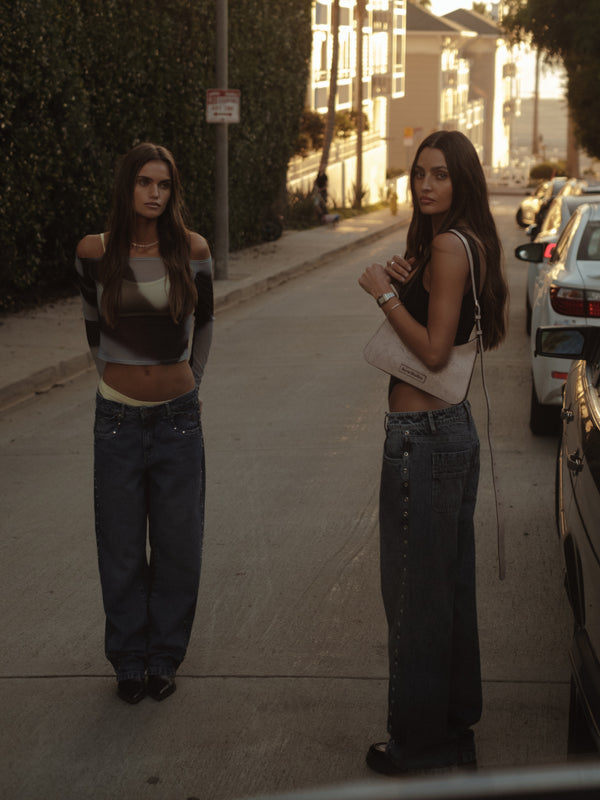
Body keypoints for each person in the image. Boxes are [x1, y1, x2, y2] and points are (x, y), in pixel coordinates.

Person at [358, 130, 508, 774]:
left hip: (421, 440)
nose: (425, 185)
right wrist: (410, 283)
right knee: (447, 590)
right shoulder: (467, 243)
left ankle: (416, 744)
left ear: (462, 180)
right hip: (449, 432)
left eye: (440, 175)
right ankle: (453, 724)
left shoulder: (449, 244)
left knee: (415, 599)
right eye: (419, 173)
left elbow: (434, 352)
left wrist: (384, 294)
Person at [75, 142, 214, 705]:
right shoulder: (95, 251)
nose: (155, 194)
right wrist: (115, 381)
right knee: (123, 547)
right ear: (126, 186)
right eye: (145, 183)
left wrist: (191, 381)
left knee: (180, 546)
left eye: (164, 185)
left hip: (179, 420)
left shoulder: (193, 250)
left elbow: (204, 326)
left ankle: (164, 657)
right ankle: (129, 661)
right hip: (117, 421)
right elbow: (91, 328)